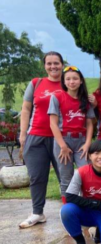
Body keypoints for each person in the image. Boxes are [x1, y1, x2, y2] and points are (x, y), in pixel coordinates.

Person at [19, 51, 64, 229]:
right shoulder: (36, 83)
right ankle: (38, 213)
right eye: (49, 63)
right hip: (36, 136)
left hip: (61, 138)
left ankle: (70, 211)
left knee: (65, 177)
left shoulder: (69, 82)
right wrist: (23, 134)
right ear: (44, 65)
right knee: (37, 177)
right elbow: (25, 109)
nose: (53, 66)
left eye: (56, 63)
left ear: (62, 64)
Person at [48, 66, 95, 204]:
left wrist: (87, 144)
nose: (71, 81)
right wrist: (62, 146)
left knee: (86, 173)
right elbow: (53, 124)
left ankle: (87, 206)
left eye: (75, 78)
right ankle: (67, 208)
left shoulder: (85, 100)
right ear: (63, 81)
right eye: (68, 79)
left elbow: (90, 124)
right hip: (63, 140)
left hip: (81, 141)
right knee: (66, 177)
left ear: (81, 81)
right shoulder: (57, 97)